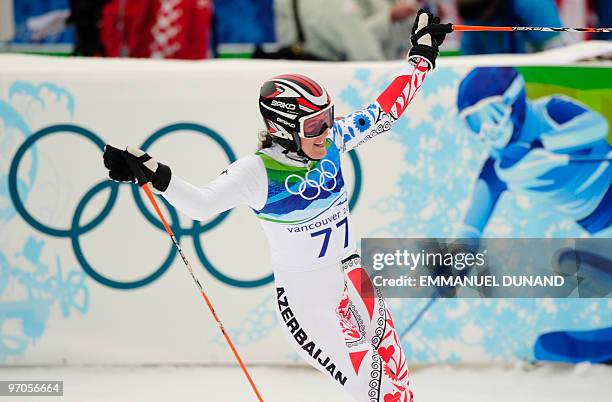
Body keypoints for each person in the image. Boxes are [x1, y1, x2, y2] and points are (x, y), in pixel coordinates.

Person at [103, 10, 448, 401]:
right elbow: (201, 205)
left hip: (354, 280)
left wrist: (421, 56)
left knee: (401, 388)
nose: (326, 130)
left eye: (328, 119)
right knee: (383, 395)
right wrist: (154, 174)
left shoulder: (331, 142)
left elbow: (384, 114)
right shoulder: (256, 173)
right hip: (309, 304)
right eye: (315, 125)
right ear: (283, 129)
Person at [456, 67, 612, 239]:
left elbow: (597, 125)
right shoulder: (497, 169)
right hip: (597, 225)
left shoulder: (549, 110)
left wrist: (545, 144)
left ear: (514, 98)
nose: (487, 130)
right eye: (475, 123)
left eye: (494, 114)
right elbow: (470, 228)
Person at [456, 0, 567, 54]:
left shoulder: (533, 5)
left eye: (477, 9)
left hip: (537, 76)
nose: (478, 18)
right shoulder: (472, 19)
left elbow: (557, 53)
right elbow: (470, 60)